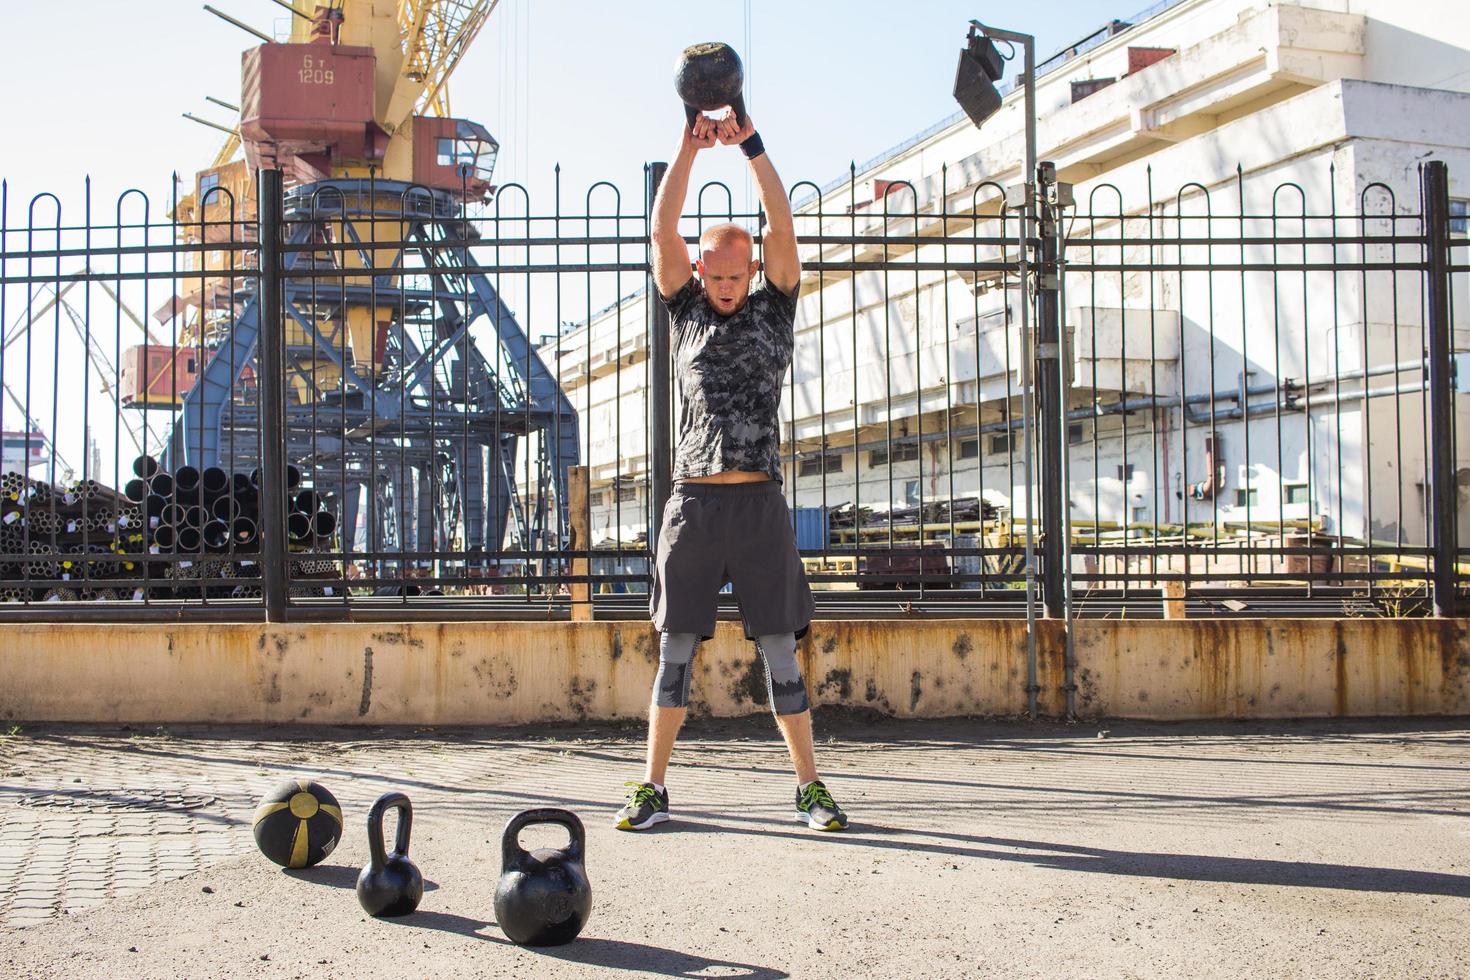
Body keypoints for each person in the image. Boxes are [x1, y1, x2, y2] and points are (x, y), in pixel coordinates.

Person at [615, 108, 848, 833]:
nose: (720, 284)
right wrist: (686, 148)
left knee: (781, 652)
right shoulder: (683, 312)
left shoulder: (774, 309)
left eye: (730, 273)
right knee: (675, 654)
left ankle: (809, 787)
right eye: (711, 273)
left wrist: (749, 145)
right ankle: (651, 787)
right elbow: (662, 231)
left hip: (757, 509)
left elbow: (781, 220)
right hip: (692, 506)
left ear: (750, 270)